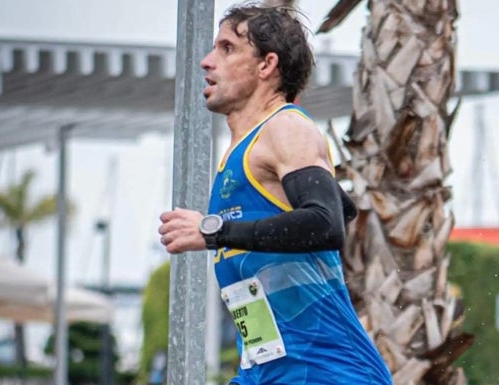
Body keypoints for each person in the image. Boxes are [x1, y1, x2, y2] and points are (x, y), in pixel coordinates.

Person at [159, 3, 392, 384]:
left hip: (328, 375)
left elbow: (326, 223)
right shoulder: (247, 152)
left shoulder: (286, 129)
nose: (206, 61)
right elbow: (341, 210)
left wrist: (212, 232)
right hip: (265, 370)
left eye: (227, 48)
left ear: (267, 65)